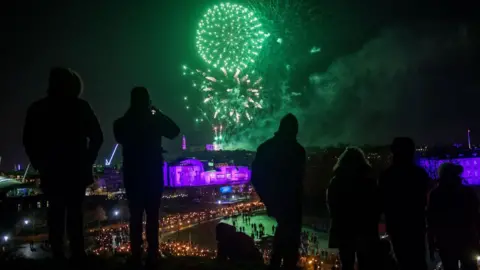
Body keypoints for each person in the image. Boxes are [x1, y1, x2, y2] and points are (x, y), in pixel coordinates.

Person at [23, 68, 103, 261]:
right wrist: (87, 160)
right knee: (75, 213)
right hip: (75, 168)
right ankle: (77, 254)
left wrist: (39, 163)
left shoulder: (38, 108)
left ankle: (58, 254)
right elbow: (97, 137)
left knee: (55, 212)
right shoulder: (80, 107)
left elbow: (28, 139)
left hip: (51, 169)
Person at [114, 86, 180, 267]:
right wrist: (158, 113)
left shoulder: (121, 123)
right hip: (152, 173)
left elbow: (119, 135)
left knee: (135, 216)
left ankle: (136, 254)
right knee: (152, 215)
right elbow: (174, 131)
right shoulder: (154, 121)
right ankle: (152, 253)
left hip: (133, 173)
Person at [251, 113, 306, 270]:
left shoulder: (266, 148)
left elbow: (256, 176)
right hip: (292, 201)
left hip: (278, 200)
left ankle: (276, 263)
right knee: (290, 236)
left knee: (284, 232)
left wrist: (267, 198)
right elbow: (300, 179)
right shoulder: (298, 151)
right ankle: (284, 264)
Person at [379, 137, 430, 270]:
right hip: (415, 223)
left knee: (402, 260)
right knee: (418, 260)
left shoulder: (387, 176)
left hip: (396, 225)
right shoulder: (419, 174)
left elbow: (382, 202)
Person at [327, 147, 380, 270]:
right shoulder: (369, 182)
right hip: (365, 228)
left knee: (346, 264)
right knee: (365, 263)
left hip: (344, 228)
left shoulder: (336, 181)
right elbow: (376, 205)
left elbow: (331, 204)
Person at [428, 163, 479, 270]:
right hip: (467, 239)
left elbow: (431, 221)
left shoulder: (436, 195)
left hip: (446, 242)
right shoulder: (467, 192)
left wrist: (431, 244)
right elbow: (476, 216)